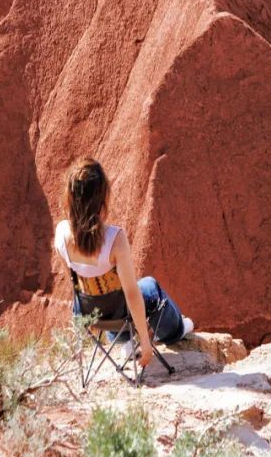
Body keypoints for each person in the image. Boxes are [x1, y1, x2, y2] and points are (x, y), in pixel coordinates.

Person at [54, 157, 193, 368]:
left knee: (109, 297)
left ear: (70, 198)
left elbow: (74, 287)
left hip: (97, 318)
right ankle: (176, 330)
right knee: (150, 286)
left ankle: (126, 342)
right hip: (122, 319)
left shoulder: (61, 233)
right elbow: (131, 294)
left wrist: (84, 318)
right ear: (102, 199)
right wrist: (146, 344)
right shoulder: (114, 239)